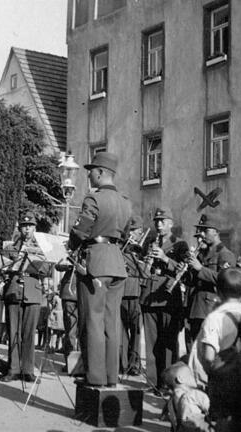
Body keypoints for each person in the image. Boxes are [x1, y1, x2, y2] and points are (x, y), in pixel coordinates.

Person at [68, 151, 133, 387]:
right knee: (111, 322)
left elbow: (80, 230)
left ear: (101, 173)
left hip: (95, 263)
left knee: (92, 321)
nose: (89, 176)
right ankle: (111, 377)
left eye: (91, 172)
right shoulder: (126, 202)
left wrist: (70, 247)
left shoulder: (93, 199)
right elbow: (125, 233)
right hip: (117, 263)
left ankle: (94, 378)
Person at [187, 268, 241, 431]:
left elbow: (209, 356)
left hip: (221, 380)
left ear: (217, 291)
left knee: (221, 423)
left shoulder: (214, 318)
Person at [141, 207, 185, 390]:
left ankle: (168, 383)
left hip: (168, 298)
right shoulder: (150, 242)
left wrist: (165, 258)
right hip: (150, 297)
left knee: (167, 343)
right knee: (152, 343)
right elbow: (143, 269)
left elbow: (183, 270)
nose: (158, 225)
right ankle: (153, 382)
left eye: (162, 221)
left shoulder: (179, 244)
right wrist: (147, 261)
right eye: (156, 221)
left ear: (171, 223)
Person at [1, 211, 47, 382]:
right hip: (14, 289)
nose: (27, 229)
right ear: (20, 228)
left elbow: (47, 270)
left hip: (33, 290)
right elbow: (2, 267)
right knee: (13, 331)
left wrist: (35, 259)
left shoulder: (41, 248)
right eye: (24, 226)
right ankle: (13, 369)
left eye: (30, 226)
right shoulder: (11, 246)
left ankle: (28, 370)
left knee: (29, 333)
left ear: (35, 228)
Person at [186, 214, 236, 345]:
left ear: (216, 232)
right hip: (195, 306)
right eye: (201, 230)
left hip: (210, 307)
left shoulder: (225, 254)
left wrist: (200, 268)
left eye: (206, 230)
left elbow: (226, 279)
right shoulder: (202, 253)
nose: (202, 234)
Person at [120, 215, 148, 376]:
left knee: (136, 332)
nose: (131, 235)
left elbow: (146, 272)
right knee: (122, 333)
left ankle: (134, 364)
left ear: (140, 233)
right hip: (122, 294)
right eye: (129, 231)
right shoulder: (120, 248)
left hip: (137, 295)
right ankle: (122, 363)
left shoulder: (143, 251)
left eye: (134, 232)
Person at [161, 362, 213, 432]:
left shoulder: (170, 402)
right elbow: (213, 409)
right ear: (180, 379)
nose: (194, 377)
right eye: (191, 375)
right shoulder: (194, 395)